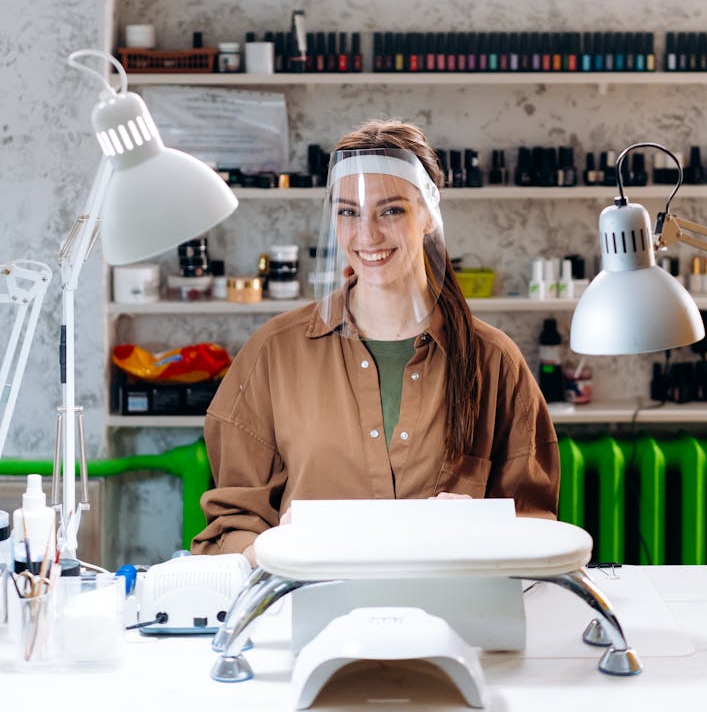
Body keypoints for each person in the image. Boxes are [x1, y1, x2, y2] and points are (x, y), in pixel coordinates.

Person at [192, 119, 559, 563]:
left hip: (454, 621)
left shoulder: (494, 362)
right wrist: (269, 547)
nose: (366, 236)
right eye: (348, 212)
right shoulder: (274, 354)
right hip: (311, 617)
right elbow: (231, 528)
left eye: (390, 211)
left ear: (427, 215)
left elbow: (538, 528)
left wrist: (485, 527)